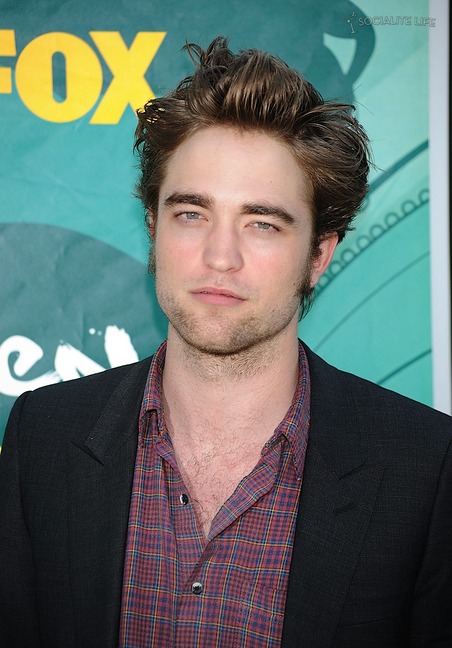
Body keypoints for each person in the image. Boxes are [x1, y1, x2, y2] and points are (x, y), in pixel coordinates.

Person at [0, 36, 451, 648]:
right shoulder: (43, 438)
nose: (220, 256)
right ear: (154, 229)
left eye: (261, 223)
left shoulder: (424, 467)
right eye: (192, 214)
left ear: (319, 255)